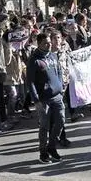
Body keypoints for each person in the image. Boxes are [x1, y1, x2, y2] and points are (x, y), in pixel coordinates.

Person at [27, 33, 66, 163]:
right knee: (44, 126)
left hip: (57, 96)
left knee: (60, 121)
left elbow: (59, 71)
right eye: (46, 43)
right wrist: (36, 100)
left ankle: (52, 146)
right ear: (39, 44)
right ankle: (43, 152)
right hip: (44, 99)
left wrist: (61, 86)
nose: (49, 45)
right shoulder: (34, 60)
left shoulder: (53, 56)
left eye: (49, 42)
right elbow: (30, 82)